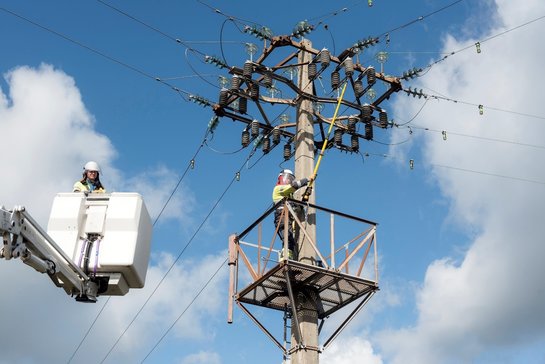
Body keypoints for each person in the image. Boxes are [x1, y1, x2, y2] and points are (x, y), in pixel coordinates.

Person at [272, 169, 310, 260]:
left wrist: (305, 197)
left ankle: (288, 259)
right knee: (288, 239)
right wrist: (307, 179)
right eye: (287, 178)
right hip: (281, 217)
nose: (288, 180)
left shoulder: (290, 197)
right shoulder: (278, 189)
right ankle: (285, 259)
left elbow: (298, 208)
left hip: (288, 218)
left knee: (290, 241)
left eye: (290, 179)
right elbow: (293, 186)